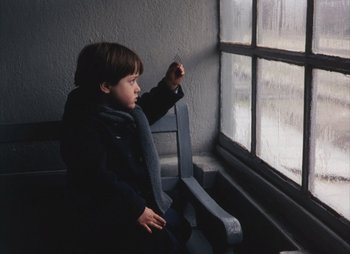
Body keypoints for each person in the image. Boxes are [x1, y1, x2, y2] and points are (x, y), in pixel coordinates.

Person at [60, 42, 191, 254]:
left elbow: (146, 109)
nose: (138, 87)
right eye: (131, 81)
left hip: (137, 199)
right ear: (105, 86)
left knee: (180, 227)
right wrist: (136, 209)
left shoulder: (124, 112)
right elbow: (95, 174)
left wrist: (169, 85)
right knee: (163, 242)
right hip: (107, 210)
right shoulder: (83, 123)